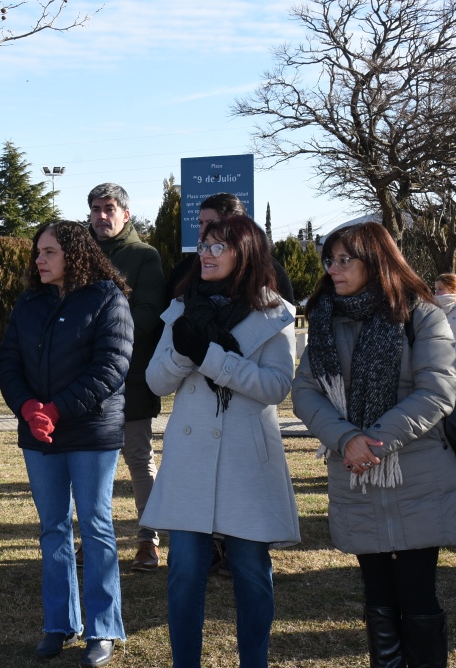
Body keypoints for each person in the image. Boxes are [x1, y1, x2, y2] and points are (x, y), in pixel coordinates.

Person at [291, 221, 456, 667]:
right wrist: (346, 439)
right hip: (355, 477)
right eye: (329, 260)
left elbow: (437, 391)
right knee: (377, 597)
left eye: (344, 259)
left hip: (416, 473)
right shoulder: (326, 319)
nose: (333, 268)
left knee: (416, 594)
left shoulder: (421, 314)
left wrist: (371, 442)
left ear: (376, 260)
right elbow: (306, 391)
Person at [143, 214, 299, 667]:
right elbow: (155, 381)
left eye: (217, 246)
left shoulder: (273, 312)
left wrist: (210, 356)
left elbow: (276, 387)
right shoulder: (180, 306)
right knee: (184, 573)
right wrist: (181, 351)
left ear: (244, 252)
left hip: (246, 462)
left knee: (251, 574)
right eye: (203, 245)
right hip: (190, 458)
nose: (205, 254)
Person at [0, 220, 132, 667]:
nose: (39, 259)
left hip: (90, 431)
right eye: (38, 251)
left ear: (75, 254)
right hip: (38, 435)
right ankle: (59, 623)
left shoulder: (107, 297)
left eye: (49, 251)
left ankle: (103, 627)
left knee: (94, 527)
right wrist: (28, 408)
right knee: (53, 528)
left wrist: (56, 410)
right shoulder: (29, 301)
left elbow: (111, 366)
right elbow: (9, 361)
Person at [87, 183, 165, 572]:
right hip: (84, 380)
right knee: (90, 463)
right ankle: (91, 538)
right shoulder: (79, 253)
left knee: (137, 459)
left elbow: (150, 312)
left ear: (126, 214)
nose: (102, 215)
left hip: (129, 375)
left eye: (109, 208)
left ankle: (148, 540)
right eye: (96, 209)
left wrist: (105, 341)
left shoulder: (144, 256)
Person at [165, 193, 294, 305]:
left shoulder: (270, 271)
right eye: (200, 223)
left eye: (210, 223)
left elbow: (283, 317)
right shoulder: (184, 270)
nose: (203, 230)